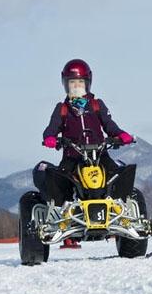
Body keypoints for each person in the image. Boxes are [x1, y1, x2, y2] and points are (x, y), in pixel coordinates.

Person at [38, 59, 134, 201]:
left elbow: (109, 124)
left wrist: (120, 134)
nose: (76, 86)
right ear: (65, 83)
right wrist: (50, 138)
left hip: (99, 154)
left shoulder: (96, 104)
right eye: (72, 82)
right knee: (61, 181)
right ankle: (62, 213)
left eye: (80, 82)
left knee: (117, 176)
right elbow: (52, 127)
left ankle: (124, 209)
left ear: (87, 82)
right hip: (73, 155)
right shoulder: (62, 108)